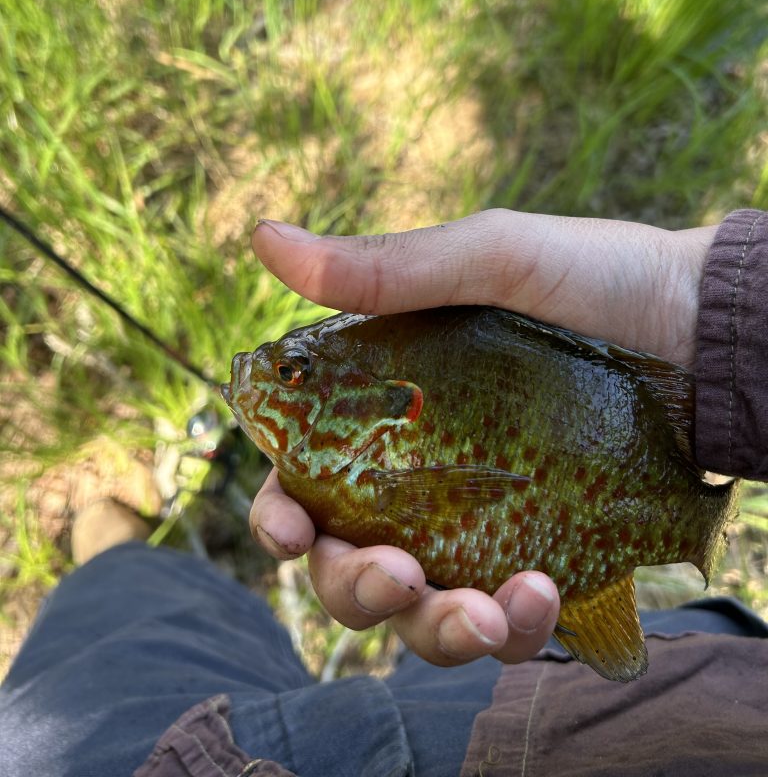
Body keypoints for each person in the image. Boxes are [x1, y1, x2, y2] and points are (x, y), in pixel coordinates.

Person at [0, 208, 766, 776]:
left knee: (94, 646)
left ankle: (116, 556)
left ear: (393, 408)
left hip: (637, 708)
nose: (268, 376)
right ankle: (121, 560)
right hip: (687, 697)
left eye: (295, 375)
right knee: (456, 638)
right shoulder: (356, 454)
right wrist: (702, 308)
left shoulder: (380, 453)